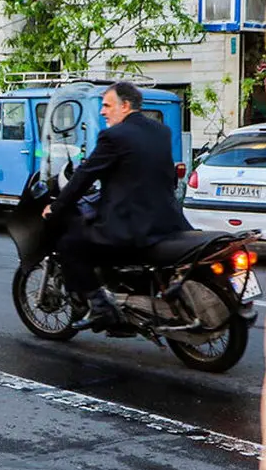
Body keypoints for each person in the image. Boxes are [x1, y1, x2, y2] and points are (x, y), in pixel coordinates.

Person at [44, 81, 189, 331]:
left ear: (125, 106)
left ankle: (101, 307)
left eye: (107, 105)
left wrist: (56, 208)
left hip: (132, 228)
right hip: (168, 221)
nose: (102, 111)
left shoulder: (114, 136)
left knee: (70, 244)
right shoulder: (161, 132)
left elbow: (84, 176)